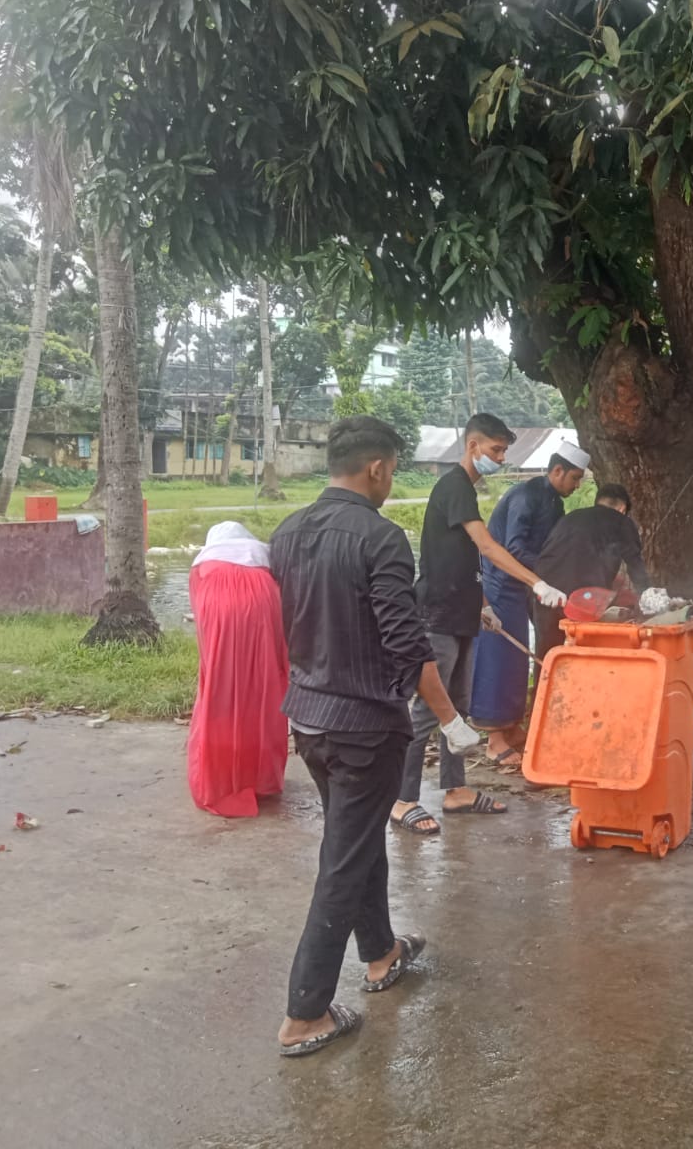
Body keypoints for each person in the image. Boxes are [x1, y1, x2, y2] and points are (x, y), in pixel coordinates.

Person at [269, 416, 480, 1057]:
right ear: (378, 469)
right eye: (392, 470)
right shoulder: (382, 538)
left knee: (355, 841)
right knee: (342, 859)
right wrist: (449, 720)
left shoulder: (286, 532)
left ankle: (383, 953)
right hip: (363, 728)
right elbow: (406, 645)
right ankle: (305, 1013)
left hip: (307, 719)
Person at [390, 413, 567, 832]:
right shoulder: (454, 485)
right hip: (437, 614)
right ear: (473, 446)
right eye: (496, 450)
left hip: (464, 610)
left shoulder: (465, 489)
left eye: (504, 451)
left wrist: (484, 602)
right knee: (429, 710)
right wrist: (537, 583)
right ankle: (402, 799)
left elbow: (464, 559)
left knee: (460, 707)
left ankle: (456, 791)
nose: (501, 459)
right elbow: (487, 545)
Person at [470, 443, 588, 771]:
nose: (576, 485)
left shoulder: (553, 502)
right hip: (499, 582)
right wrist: (544, 579)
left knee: (519, 657)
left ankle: (511, 726)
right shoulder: (524, 496)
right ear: (557, 471)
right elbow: (514, 548)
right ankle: (494, 741)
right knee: (499, 655)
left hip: (525, 584)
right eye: (574, 478)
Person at [185, 521, 290, 818]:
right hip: (263, 609)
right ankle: (261, 779)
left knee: (220, 693)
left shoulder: (203, 564)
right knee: (263, 689)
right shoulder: (263, 559)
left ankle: (222, 780)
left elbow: (200, 618)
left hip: (219, 617)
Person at [531, 482, 651, 660]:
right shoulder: (621, 521)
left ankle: (542, 686)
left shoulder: (571, 517)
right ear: (622, 508)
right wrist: (649, 598)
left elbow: (568, 555)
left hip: (545, 590)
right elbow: (635, 566)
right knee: (585, 652)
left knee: (548, 655)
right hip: (583, 597)